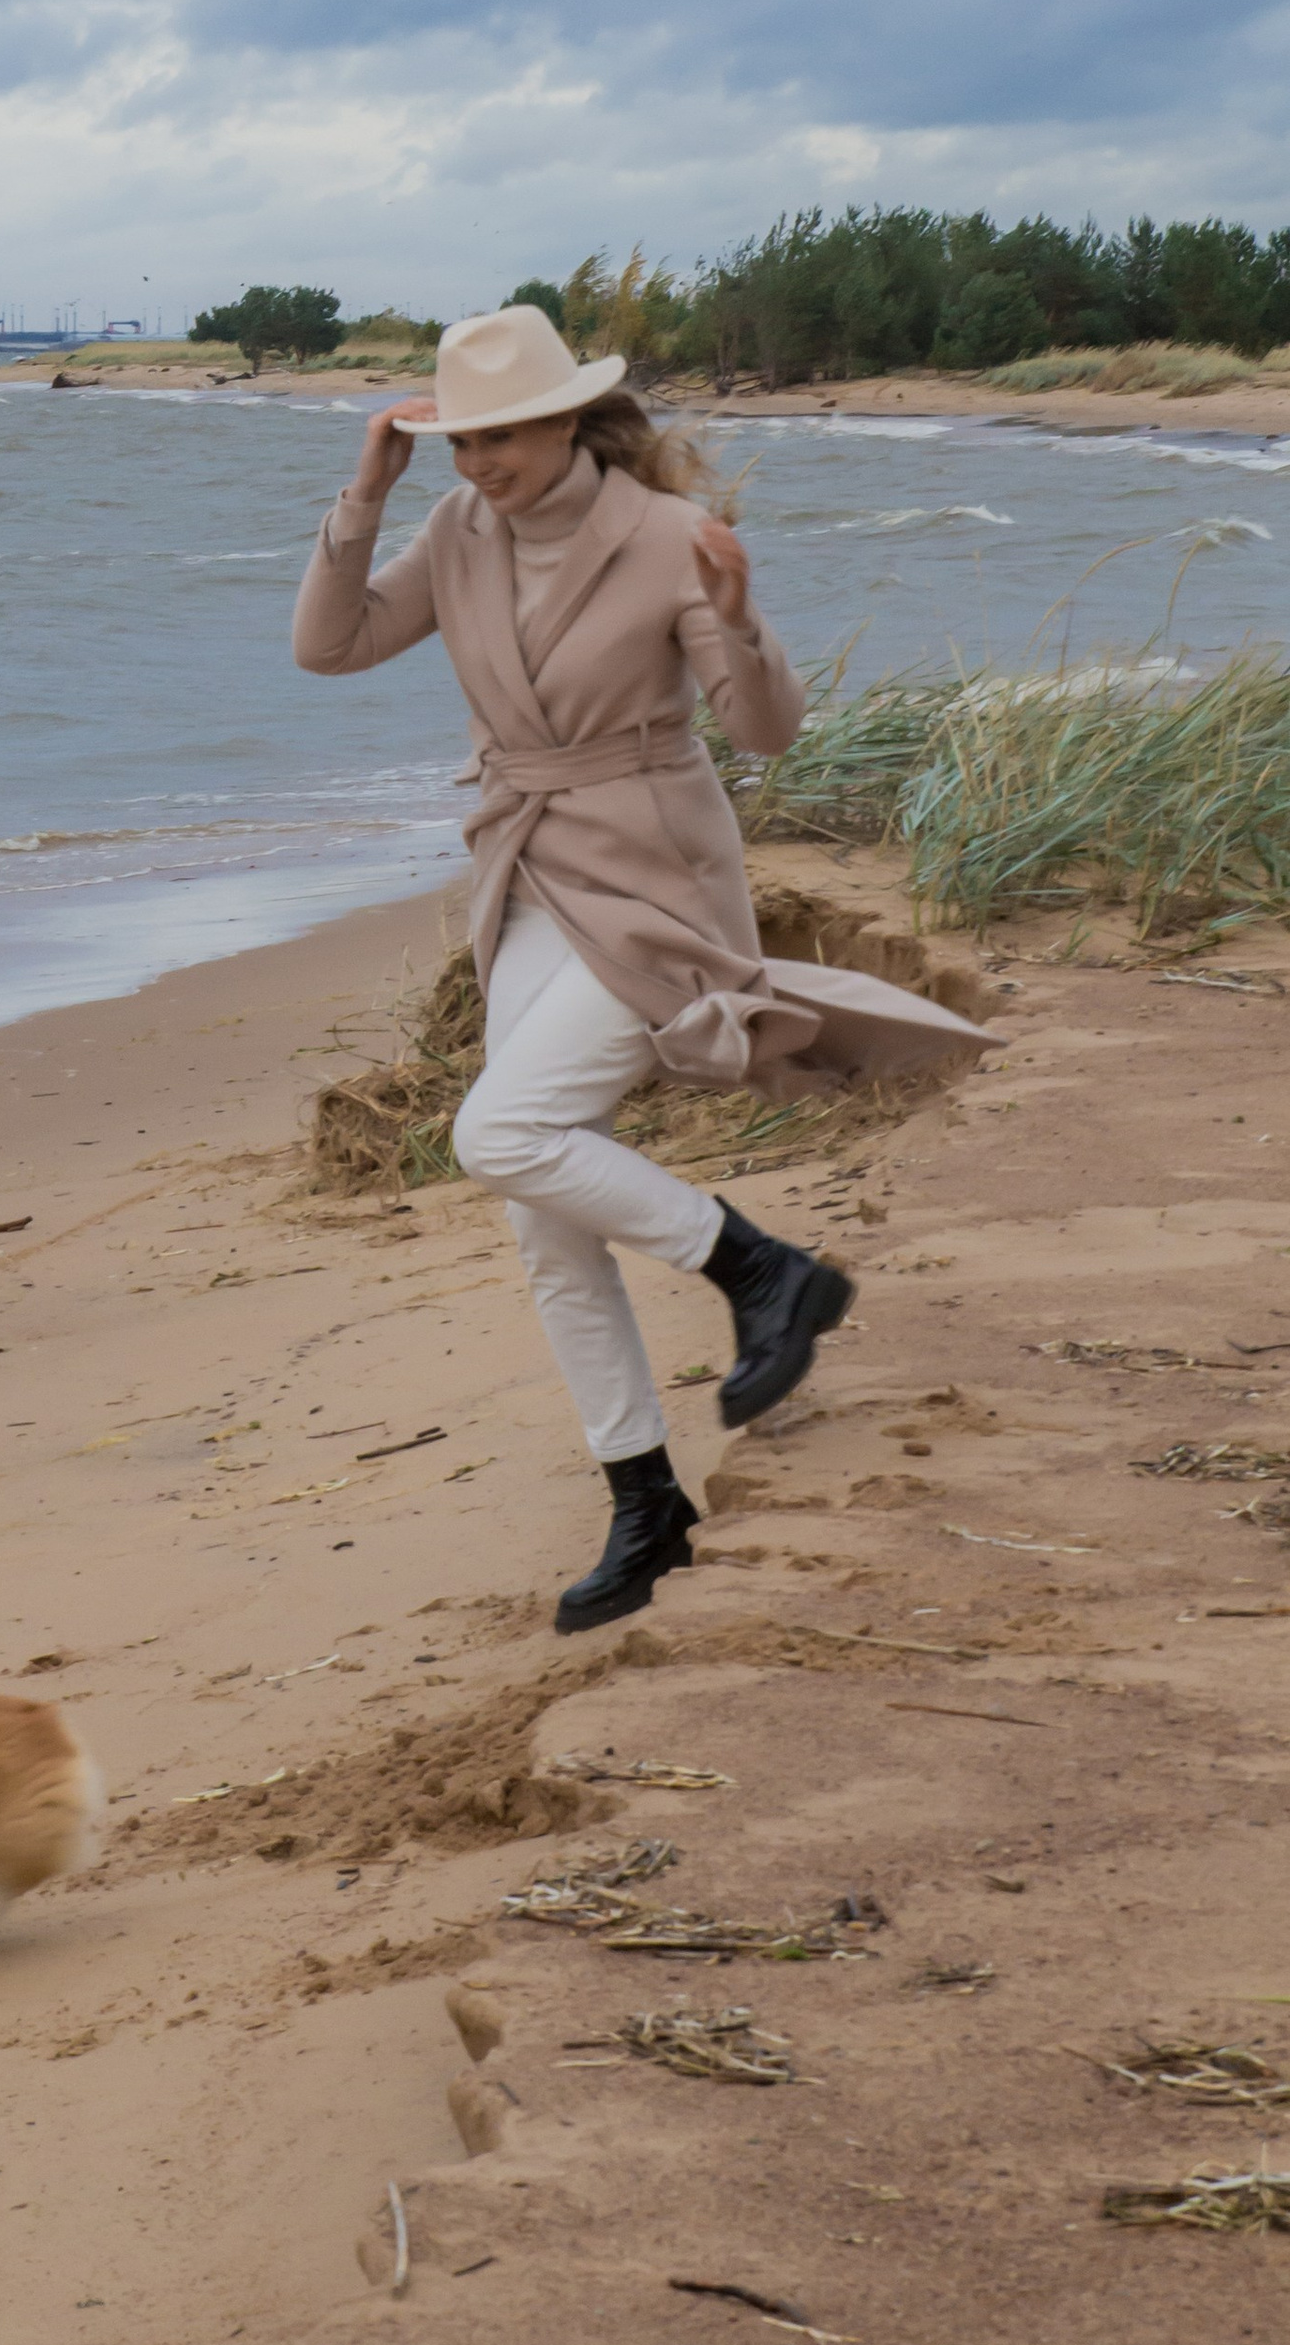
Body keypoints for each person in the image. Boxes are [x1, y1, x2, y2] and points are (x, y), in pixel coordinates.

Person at [292, 303, 996, 1633]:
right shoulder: (453, 533)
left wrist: (740, 619)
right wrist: (366, 492)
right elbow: (325, 646)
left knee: (499, 1127)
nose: (478, 461)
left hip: (660, 882)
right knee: (537, 1203)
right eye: (457, 438)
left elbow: (767, 733)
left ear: (566, 419)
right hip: (532, 875)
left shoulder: (667, 537)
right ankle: (644, 1498)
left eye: (498, 435)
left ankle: (759, 1268)